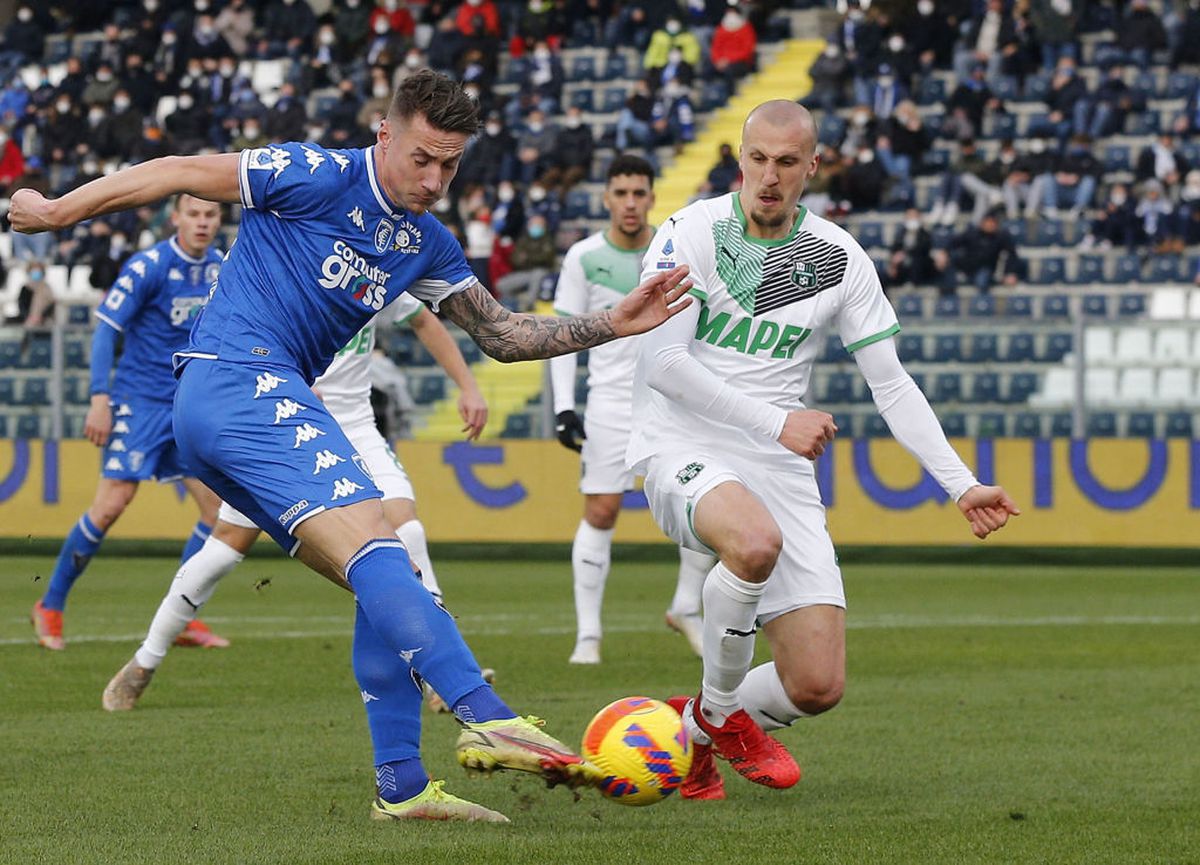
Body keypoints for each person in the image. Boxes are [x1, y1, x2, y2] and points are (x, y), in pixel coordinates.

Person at [10, 69, 692, 823]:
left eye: (451, 164)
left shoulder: (426, 242)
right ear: (384, 135)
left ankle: (401, 787)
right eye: (423, 158)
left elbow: (503, 333)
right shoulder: (313, 173)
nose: (435, 179)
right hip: (234, 378)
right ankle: (487, 711)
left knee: (381, 572)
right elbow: (177, 170)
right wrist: (57, 210)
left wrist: (611, 323)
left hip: (263, 398)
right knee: (380, 548)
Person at [627, 100, 1019, 800]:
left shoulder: (838, 257)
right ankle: (722, 715)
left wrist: (962, 484)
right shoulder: (690, 233)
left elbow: (892, 384)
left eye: (786, 162)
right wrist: (777, 421)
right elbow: (663, 365)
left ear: (812, 166)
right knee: (751, 541)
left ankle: (687, 728)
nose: (769, 176)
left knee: (816, 684)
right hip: (679, 438)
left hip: (776, 459)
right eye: (757, 159)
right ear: (738, 159)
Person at [102, 293, 489, 714]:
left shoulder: (379, 268)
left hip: (357, 428)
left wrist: (469, 387)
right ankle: (145, 660)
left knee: (406, 528)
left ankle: (439, 675)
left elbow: (425, 322)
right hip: (288, 424)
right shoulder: (290, 270)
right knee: (222, 551)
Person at [30, 195, 228, 652]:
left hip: (188, 406)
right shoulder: (149, 266)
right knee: (110, 506)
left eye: (210, 215)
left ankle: (179, 616)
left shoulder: (220, 267)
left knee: (217, 513)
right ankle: (51, 604)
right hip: (139, 402)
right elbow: (106, 329)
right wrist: (100, 397)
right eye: (193, 214)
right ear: (175, 218)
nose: (202, 223)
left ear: (220, 220)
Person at [548, 154, 715, 665]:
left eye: (639, 193)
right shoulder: (584, 257)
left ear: (651, 197)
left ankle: (686, 606)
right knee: (601, 511)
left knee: (704, 505)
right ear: (606, 199)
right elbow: (563, 332)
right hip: (611, 402)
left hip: (671, 400)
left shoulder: (676, 249)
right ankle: (589, 637)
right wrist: (563, 405)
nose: (630, 203)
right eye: (620, 193)